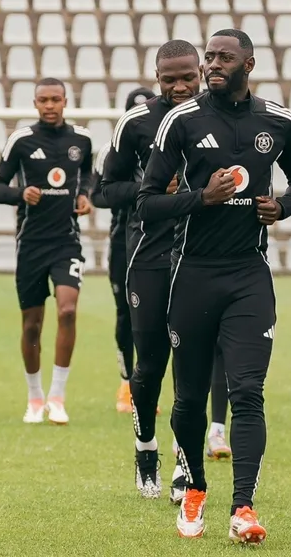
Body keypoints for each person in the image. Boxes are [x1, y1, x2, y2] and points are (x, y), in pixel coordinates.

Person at [139, 29, 291, 543]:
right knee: (190, 398)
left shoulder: (277, 121)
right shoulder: (182, 120)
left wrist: (282, 206)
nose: (213, 64)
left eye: (224, 58)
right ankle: (194, 489)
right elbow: (148, 201)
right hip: (191, 272)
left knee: (248, 391)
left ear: (249, 64)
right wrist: (201, 198)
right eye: (210, 57)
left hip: (248, 275)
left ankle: (244, 507)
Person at [102, 42, 233, 504]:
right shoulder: (135, 123)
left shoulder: (218, 116)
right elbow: (105, 189)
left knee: (191, 365)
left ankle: (184, 461)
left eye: (187, 78)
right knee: (151, 363)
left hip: (199, 255)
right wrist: (150, 187)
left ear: (200, 72)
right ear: (156, 76)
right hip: (149, 256)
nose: (179, 87)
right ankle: (145, 448)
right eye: (169, 79)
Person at [0, 77, 94, 425]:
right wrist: (21, 194)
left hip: (67, 241)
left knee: (67, 310)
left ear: (66, 101)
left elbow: (90, 178)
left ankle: (57, 396)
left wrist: (85, 196)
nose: (50, 106)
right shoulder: (21, 140)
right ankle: (35, 397)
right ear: (35, 104)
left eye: (56, 99)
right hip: (31, 243)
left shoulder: (82, 140)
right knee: (32, 324)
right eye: (43, 100)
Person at [95, 87, 150, 414]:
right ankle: (126, 381)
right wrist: (144, 192)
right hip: (122, 239)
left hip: (159, 237)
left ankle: (149, 381)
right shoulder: (112, 149)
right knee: (124, 312)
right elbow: (99, 194)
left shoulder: (167, 143)